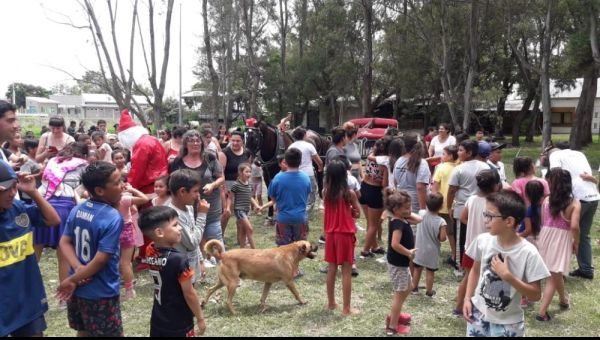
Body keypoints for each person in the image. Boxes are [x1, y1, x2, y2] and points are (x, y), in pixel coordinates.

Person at [463, 191, 550, 337]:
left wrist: (508, 276)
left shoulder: (529, 253)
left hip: (508, 323)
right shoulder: (482, 241)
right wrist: (467, 298)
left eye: (490, 216)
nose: (485, 220)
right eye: (485, 214)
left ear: (509, 221)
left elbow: (535, 295)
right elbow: (475, 271)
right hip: (478, 314)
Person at [57, 161, 125, 337]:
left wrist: (77, 270)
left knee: (84, 330)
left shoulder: (78, 208)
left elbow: (65, 242)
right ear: (100, 190)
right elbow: (101, 259)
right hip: (101, 291)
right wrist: (73, 279)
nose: (122, 186)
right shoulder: (112, 217)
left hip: (79, 289)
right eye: (117, 183)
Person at [0, 160, 60, 337]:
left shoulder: (17, 208)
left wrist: (33, 192)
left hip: (27, 295)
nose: (12, 193)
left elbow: (53, 221)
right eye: (5, 189)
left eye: (14, 187)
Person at [139, 206, 207, 337]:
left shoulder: (150, 250)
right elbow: (189, 293)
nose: (180, 228)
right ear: (159, 232)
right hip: (179, 321)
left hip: (159, 317)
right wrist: (200, 318)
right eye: (175, 225)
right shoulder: (179, 260)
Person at [35, 142, 89, 291]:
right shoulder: (83, 165)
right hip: (65, 208)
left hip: (42, 205)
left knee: (34, 251)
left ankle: (24, 289)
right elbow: (81, 191)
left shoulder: (52, 162)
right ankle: (63, 295)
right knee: (64, 252)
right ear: (83, 154)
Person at [118, 109, 168, 267]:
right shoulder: (151, 140)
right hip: (157, 185)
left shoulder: (141, 145)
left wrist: (128, 187)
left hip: (147, 188)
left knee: (147, 222)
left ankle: (148, 254)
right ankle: (148, 253)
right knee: (154, 221)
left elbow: (137, 170)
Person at [549, 142, 599, 280]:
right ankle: (586, 269)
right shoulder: (579, 153)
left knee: (563, 233)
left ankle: (560, 270)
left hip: (576, 198)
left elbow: (556, 175)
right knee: (584, 236)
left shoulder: (555, 154)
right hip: (593, 197)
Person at [536, 169, 581, 321]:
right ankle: (542, 313)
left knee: (556, 273)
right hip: (561, 238)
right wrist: (576, 242)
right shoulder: (574, 203)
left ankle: (563, 299)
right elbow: (574, 226)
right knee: (554, 275)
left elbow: (543, 220)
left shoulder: (547, 200)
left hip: (545, 235)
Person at [454, 169, 501, 316]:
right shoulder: (495, 203)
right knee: (486, 278)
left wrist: (474, 225)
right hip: (487, 247)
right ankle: (481, 307)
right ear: (496, 186)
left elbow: (462, 217)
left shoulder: (472, 199)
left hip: (470, 246)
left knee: (468, 277)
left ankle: (459, 306)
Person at [323, 159, 361, 316]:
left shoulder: (326, 192)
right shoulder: (348, 193)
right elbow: (357, 212)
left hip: (330, 234)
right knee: (346, 270)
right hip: (344, 234)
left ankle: (331, 302)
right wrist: (351, 211)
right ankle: (346, 308)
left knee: (332, 268)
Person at [446, 140, 490, 274]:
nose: (458, 153)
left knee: (463, 239)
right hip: (483, 205)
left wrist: (448, 207)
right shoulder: (485, 167)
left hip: (462, 208)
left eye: (460, 150)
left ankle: (461, 267)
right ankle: (480, 264)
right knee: (482, 234)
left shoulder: (459, 169)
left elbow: (451, 190)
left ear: (469, 152)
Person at [383, 189, 421, 335]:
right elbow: (395, 244)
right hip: (398, 263)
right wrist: (408, 253)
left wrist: (406, 212)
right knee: (400, 295)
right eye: (406, 208)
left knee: (409, 286)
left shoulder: (401, 218)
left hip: (401, 263)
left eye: (410, 207)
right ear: (395, 209)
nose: (409, 210)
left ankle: (395, 314)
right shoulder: (398, 223)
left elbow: (419, 219)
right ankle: (392, 325)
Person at [167, 169, 210, 284]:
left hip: (191, 268)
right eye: (195, 191)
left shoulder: (189, 208)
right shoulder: (174, 215)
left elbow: (193, 232)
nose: (198, 195)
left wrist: (200, 261)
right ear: (182, 192)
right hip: (181, 272)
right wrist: (202, 215)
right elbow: (192, 243)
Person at [268, 148, 311, 249]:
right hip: (300, 217)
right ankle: (296, 265)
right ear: (300, 161)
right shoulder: (306, 178)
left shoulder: (277, 179)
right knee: (300, 248)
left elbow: (273, 197)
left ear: (286, 161)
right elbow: (307, 193)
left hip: (283, 218)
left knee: (283, 248)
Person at [118, 183, 150, 300]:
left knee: (113, 261)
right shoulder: (124, 199)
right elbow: (144, 199)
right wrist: (132, 189)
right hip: (127, 230)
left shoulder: (107, 200)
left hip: (112, 230)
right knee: (126, 263)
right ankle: (129, 291)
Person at [412, 192, 447, 297]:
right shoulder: (441, 221)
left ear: (426, 204)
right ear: (441, 206)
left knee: (417, 269)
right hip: (432, 251)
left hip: (419, 248)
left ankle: (414, 287)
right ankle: (429, 291)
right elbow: (442, 238)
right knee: (430, 271)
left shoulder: (421, 213)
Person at [431, 145, 459, 268]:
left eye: (443, 154)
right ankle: (454, 254)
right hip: (454, 205)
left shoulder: (441, 168)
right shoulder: (459, 167)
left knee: (443, 231)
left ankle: (452, 255)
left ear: (450, 156)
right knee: (452, 232)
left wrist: (432, 201)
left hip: (441, 204)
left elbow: (435, 186)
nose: (441, 156)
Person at [360, 137, 388, 257]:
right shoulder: (386, 163)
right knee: (374, 224)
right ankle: (365, 250)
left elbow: (371, 156)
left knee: (369, 222)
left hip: (364, 188)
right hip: (375, 192)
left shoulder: (371, 156)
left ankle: (374, 246)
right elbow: (384, 184)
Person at [222, 131, 253, 235]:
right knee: (226, 213)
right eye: (233, 140)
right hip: (228, 185)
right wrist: (223, 188)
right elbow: (220, 172)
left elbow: (248, 168)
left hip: (243, 185)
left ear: (243, 141)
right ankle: (219, 236)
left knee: (242, 213)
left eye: (238, 141)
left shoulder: (247, 152)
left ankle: (242, 239)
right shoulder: (225, 152)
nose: (235, 143)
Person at [288, 127, 323, 219]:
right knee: (311, 194)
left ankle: (296, 211)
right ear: (304, 135)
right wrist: (320, 167)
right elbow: (318, 161)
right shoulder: (309, 146)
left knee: (296, 194)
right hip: (308, 174)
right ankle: (305, 215)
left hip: (294, 174)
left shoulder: (291, 146)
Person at [229, 163, 262, 249]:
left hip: (247, 210)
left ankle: (242, 249)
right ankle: (255, 250)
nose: (249, 174)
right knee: (250, 229)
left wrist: (256, 205)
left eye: (250, 172)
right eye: (246, 172)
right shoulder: (235, 185)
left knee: (243, 231)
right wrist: (228, 208)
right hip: (239, 210)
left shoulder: (249, 184)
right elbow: (230, 198)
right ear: (240, 172)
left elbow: (250, 197)